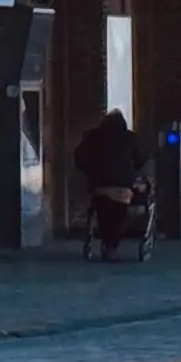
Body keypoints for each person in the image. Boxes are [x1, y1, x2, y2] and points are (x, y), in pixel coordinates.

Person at [74, 103, 150, 255]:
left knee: (102, 212)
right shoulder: (129, 138)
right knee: (119, 214)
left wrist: (90, 172)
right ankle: (112, 244)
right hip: (122, 187)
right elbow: (140, 160)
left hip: (99, 186)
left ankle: (106, 241)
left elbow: (80, 158)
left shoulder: (92, 136)